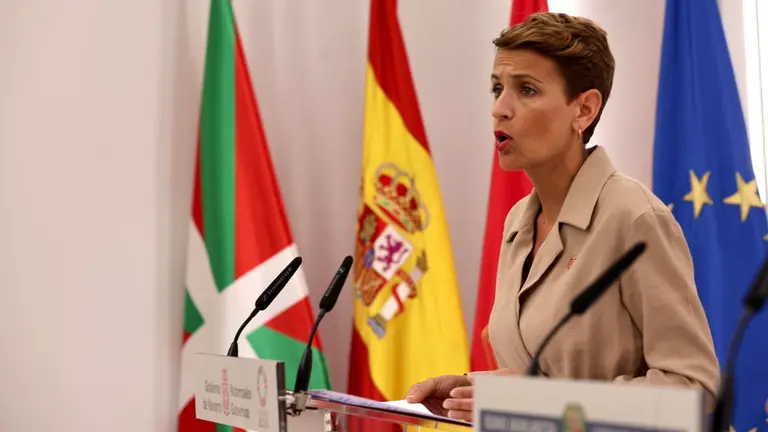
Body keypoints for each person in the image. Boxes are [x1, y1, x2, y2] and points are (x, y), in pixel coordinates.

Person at [404, 12, 720, 422]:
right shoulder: (518, 222)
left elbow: (695, 395)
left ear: (584, 110)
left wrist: (541, 401)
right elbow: (534, 374)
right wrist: (469, 390)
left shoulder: (634, 218)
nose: (500, 109)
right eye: (497, 89)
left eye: (527, 90)